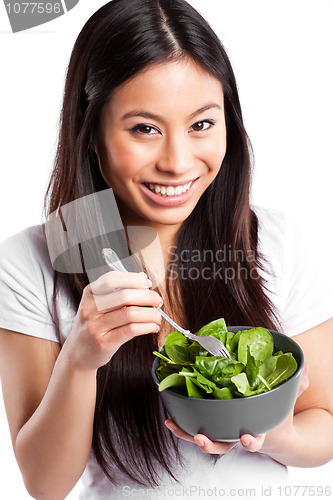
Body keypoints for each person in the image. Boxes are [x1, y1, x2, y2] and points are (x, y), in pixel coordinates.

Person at [0, 0, 333, 498]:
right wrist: (81, 358)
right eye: (144, 129)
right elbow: (45, 484)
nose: (178, 162)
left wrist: (270, 434)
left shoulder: (279, 242)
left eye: (201, 124)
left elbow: (323, 423)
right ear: (90, 134)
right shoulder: (33, 260)